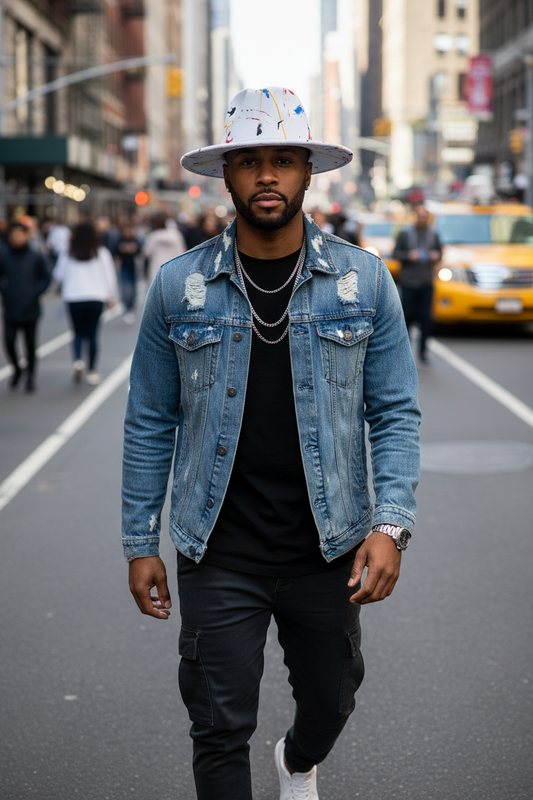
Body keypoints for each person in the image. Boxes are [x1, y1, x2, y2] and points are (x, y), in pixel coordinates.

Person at [122, 86, 421, 800]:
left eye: (283, 160)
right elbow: (149, 420)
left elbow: (396, 413)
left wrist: (390, 526)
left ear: (306, 172)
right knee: (218, 727)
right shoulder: (178, 287)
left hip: (330, 543)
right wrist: (141, 543)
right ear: (226, 173)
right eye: (250, 160)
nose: (266, 176)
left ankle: (297, 758)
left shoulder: (362, 282)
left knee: (331, 699)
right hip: (216, 547)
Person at [53, 221, 118, 385]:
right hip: (96, 297)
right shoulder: (101, 252)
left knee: (77, 332)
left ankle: (78, 360)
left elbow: (58, 274)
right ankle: (92, 370)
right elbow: (110, 276)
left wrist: (58, 287)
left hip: (74, 296)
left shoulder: (68, 252)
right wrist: (111, 297)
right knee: (93, 334)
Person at [0, 221, 50, 392]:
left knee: (30, 345)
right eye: (13, 234)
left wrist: (34, 293)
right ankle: (17, 369)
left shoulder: (35, 256)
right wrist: (5, 290)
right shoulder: (4, 256)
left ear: (26, 235)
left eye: (20, 234)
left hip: (30, 308)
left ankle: (30, 376)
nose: (16, 237)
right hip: (11, 307)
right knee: (8, 341)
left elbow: (46, 278)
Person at [392, 204, 442, 364]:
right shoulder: (406, 234)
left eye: (424, 217)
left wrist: (436, 255)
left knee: (426, 319)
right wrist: (409, 256)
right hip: (409, 282)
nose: (422, 220)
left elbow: (440, 251)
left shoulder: (433, 234)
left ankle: (423, 352)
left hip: (426, 282)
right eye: (419, 217)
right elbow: (396, 253)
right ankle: (404, 354)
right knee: (407, 318)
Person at [142, 214, 186, 283]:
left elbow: (146, 253)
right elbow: (182, 251)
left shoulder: (153, 236)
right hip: (173, 267)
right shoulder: (175, 234)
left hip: (156, 268)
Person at [115, 221, 142, 324]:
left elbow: (140, 250)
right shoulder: (119, 240)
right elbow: (115, 252)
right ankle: (127, 307)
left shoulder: (136, 240)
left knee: (133, 288)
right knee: (126, 288)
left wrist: (134, 249)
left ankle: (131, 306)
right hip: (124, 267)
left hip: (134, 267)